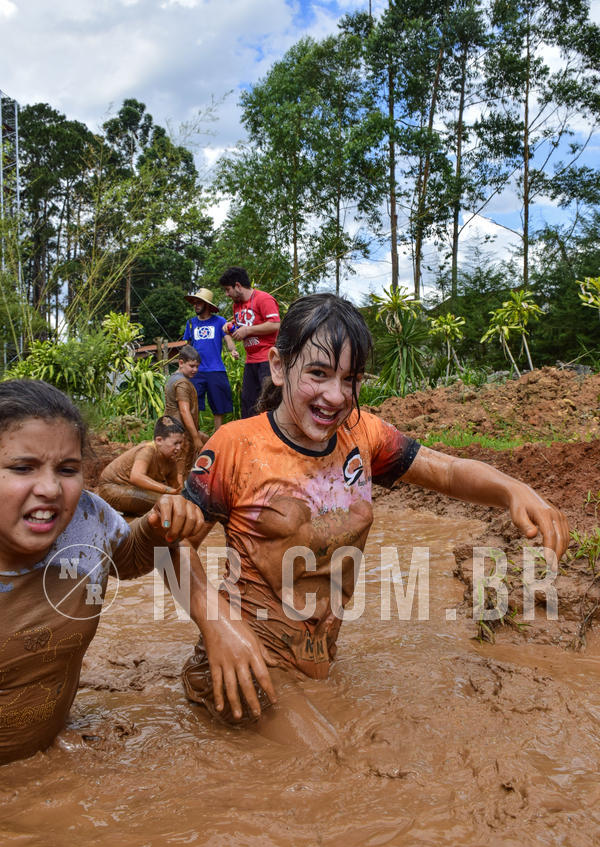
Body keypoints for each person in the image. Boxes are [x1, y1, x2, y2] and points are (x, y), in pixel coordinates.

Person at [180, 293, 569, 727]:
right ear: (277, 367)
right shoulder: (236, 445)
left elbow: (447, 472)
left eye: (350, 379)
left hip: (317, 666)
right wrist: (216, 626)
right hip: (245, 666)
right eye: (318, 373)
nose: (336, 395)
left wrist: (514, 489)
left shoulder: (363, 434)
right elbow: (170, 546)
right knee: (331, 767)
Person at [0, 379, 275, 765]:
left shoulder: (85, 517)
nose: (49, 488)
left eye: (67, 469)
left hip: (44, 759)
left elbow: (127, 557)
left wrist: (156, 526)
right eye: (22, 467)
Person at [218, 266, 280, 418]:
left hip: (267, 359)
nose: (227, 294)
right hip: (250, 360)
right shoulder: (236, 305)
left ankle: (272, 436)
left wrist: (248, 330)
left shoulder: (263, 299)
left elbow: (275, 324)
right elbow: (242, 324)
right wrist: (230, 327)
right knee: (248, 402)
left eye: (228, 289)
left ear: (238, 286)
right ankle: (250, 437)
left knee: (269, 401)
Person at [97, 415, 185, 516]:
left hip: (133, 490)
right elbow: (136, 477)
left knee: (173, 502)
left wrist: (184, 497)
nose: (179, 448)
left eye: (181, 443)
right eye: (175, 443)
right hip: (111, 488)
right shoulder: (147, 450)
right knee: (166, 503)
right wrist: (168, 490)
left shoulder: (171, 459)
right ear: (159, 440)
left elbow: (176, 488)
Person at [182, 287, 239, 430]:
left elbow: (228, 339)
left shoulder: (219, 321)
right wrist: (182, 366)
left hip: (216, 369)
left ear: (207, 305)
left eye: (199, 303)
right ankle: (194, 437)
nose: (196, 305)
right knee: (193, 406)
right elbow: (187, 347)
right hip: (195, 371)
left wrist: (233, 350)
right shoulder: (191, 323)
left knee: (219, 408)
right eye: (194, 303)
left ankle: (217, 439)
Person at [164, 346, 208, 479]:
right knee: (181, 473)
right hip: (181, 434)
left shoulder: (173, 378)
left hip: (173, 431)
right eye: (192, 366)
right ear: (181, 363)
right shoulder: (182, 383)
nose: (195, 370)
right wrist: (195, 438)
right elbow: (184, 411)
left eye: (197, 366)